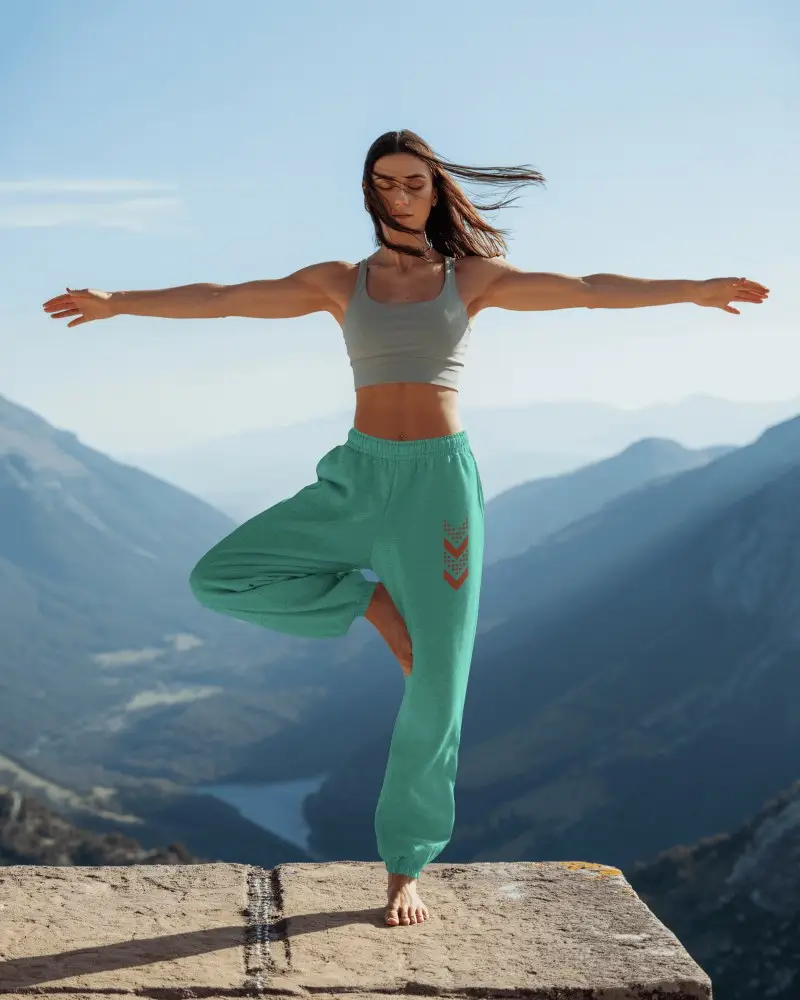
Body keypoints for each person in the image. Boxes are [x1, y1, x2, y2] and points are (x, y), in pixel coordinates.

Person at [42, 129, 769, 928]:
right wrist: (117, 304)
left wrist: (695, 289)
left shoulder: (469, 279)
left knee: (436, 680)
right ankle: (365, 600)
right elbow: (223, 296)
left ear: (435, 188)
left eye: (414, 181)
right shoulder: (336, 281)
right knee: (216, 577)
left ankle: (404, 867)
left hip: (439, 494)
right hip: (356, 478)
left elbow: (589, 287)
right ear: (368, 189)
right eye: (385, 182)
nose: (399, 194)